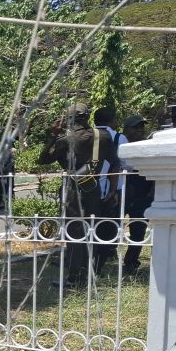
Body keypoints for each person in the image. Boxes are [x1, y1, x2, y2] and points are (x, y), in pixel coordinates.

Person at [38, 103, 120, 285]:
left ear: (69, 120)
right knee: (93, 229)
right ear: (87, 117)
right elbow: (115, 164)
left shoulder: (64, 141)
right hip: (94, 187)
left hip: (73, 189)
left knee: (74, 232)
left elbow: (43, 159)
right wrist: (113, 190)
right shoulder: (104, 137)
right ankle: (91, 273)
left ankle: (75, 277)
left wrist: (53, 134)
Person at [121, 114, 153, 275]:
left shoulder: (150, 146)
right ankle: (103, 256)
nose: (140, 130)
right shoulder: (119, 144)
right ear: (126, 130)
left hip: (142, 193)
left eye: (142, 126)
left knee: (138, 230)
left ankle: (131, 262)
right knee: (109, 225)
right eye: (135, 127)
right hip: (121, 191)